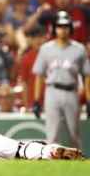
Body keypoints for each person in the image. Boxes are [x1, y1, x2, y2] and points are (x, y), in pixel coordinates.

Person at [32, 11, 90, 149]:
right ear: (54, 28)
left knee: (74, 133)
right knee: (52, 134)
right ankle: (51, 165)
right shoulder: (46, 49)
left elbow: (87, 75)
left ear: (70, 27)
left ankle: (76, 163)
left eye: (65, 26)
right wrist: (36, 100)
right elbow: (39, 76)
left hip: (71, 91)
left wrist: (88, 99)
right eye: (59, 26)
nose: (62, 30)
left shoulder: (79, 49)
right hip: (52, 91)